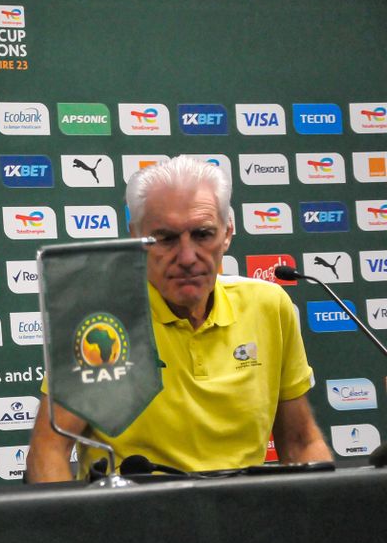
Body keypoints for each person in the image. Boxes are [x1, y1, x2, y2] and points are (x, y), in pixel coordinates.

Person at [26, 155, 332, 482]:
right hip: (132, 511)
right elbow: (48, 449)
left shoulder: (268, 305)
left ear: (227, 233)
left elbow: (300, 442)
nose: (187, 257)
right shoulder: (102, 320)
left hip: (245, 509)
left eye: (203, 234)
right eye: (166, 238)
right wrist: (74, 515)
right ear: (136, 237)